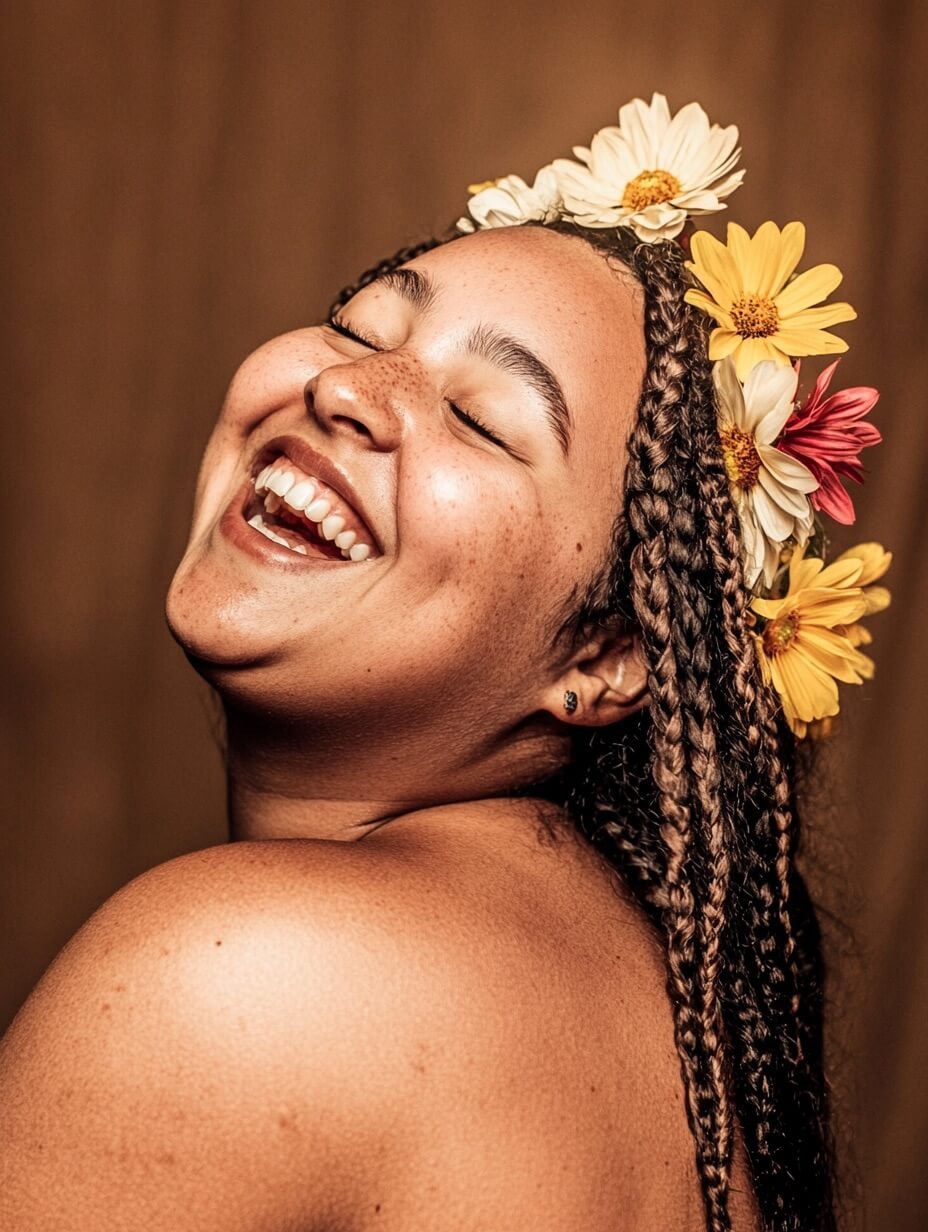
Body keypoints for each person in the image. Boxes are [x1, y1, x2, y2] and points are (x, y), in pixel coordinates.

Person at [0, 93, 890, 1231]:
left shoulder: (247, 976)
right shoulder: (663, 1024)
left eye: (481, 418)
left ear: (608, 653)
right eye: (366, 328)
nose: (349, 388)